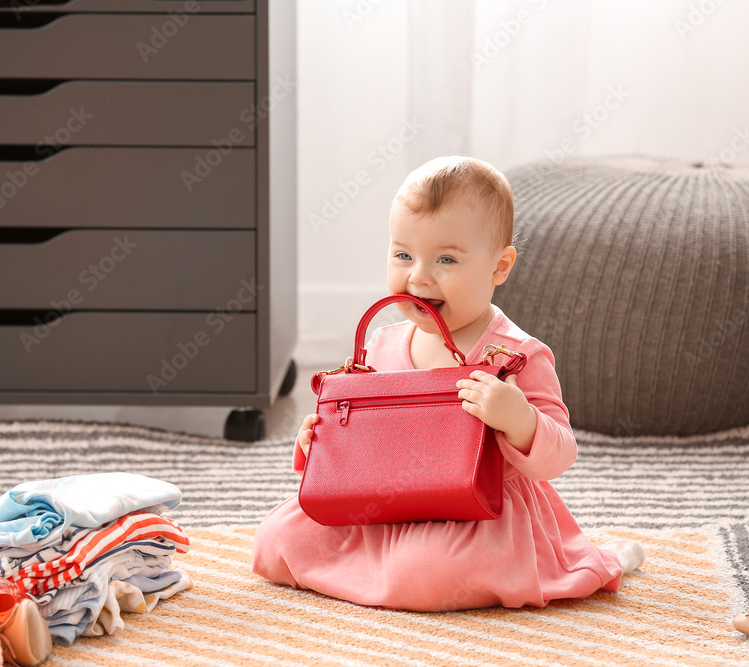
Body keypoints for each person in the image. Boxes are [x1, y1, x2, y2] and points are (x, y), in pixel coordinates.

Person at [251, 155, 644, 611]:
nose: (418, 276)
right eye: (403, 255)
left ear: (499, 268)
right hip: (385, 502)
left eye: (446, 259)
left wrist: (519, 420)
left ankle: (589, 557)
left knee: (424, 574)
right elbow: (360, 440)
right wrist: (316, 442)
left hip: (476, 513)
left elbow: (560, 452)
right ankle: (377, 571)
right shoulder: (381, 344)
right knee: (276, 540)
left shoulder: (516, 355)